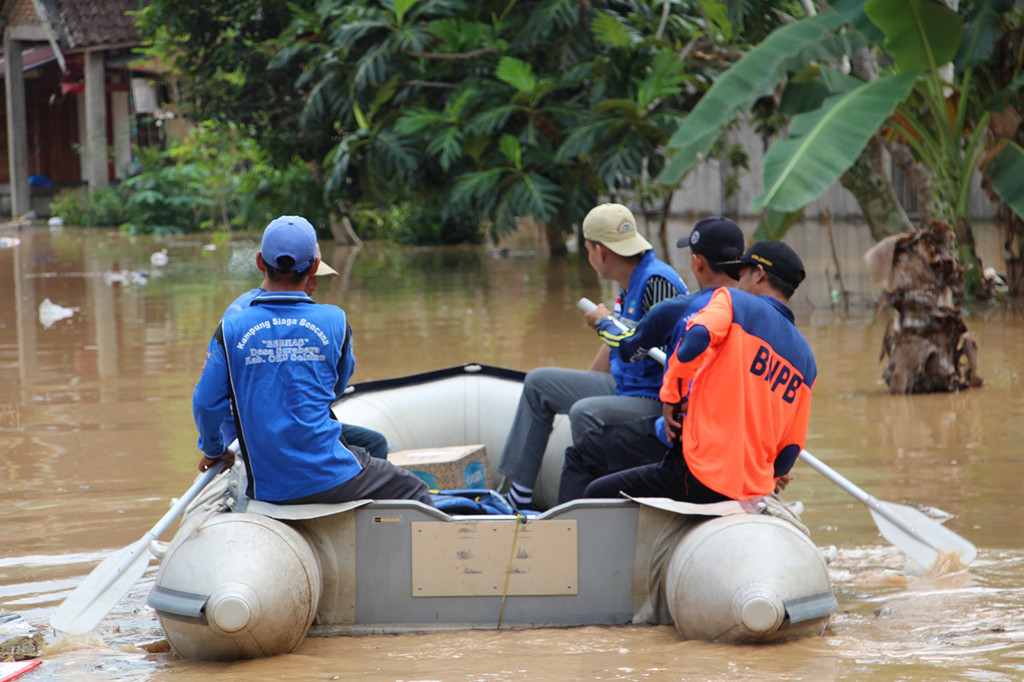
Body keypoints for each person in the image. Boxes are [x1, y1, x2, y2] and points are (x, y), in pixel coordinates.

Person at [192, 215, 431, 505]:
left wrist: (214, 450)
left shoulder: (232, 325)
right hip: (320, 471)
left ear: (259, 262)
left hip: (266, 477)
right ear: (314, 267)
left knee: (374, 443)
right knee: (413, 490)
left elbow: (205, 402)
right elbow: (336, 389)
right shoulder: (335, 321)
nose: (317, 285)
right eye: (317, 277)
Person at [583, 240, 815, 504]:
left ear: (759, 273)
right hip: (754, 487)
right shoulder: (807, 359)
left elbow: (696, 339)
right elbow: (791, 447)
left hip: (699, 476)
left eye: (741, 276)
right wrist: (772, 477)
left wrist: (671, 397)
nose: (738, 284)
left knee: (595, 492)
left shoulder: (732, 300)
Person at [499, 203, 688, 510]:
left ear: (599, 252)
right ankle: (517, 495)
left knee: (585, 411)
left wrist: (605, 324)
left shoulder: (657, 283)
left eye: (587, 250)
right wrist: (585, 380)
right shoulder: (629, 283)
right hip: (626, 389)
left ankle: (601, 503)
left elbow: (675, 355)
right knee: (538, 383)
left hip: (656, 400)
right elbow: (616, 345)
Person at [558, 217, 745, 503]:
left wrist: (603, 323)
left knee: (582, 456)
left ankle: (578, 526)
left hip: (682, 437)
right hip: (732, 443)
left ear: (697, 262)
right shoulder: (761, 315)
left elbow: (628, 348)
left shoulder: (678, 308)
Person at [222, 241, 389, 460]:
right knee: (376, 444)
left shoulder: (238, 312)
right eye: (311, 277)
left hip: (249, 432)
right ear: (304, 273)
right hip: (270, 435)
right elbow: (333, 387)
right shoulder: (316, 319)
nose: (314, 287)